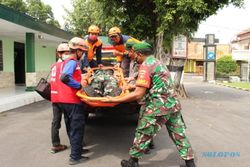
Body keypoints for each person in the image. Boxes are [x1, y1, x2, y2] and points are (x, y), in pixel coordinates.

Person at [97, 42, 196, 167]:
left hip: (157, 105)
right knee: (178, 134)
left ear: (139, 54)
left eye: (133, 53)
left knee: (143, 132)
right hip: (172, 104)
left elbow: (138, 94)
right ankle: (190, 163)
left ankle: (133, 161)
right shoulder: (157, 63)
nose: (131, 56)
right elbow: (154, 82)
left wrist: (115, 100)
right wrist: (132, 85)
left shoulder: (145, 66)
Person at [50, 37, 89, 165]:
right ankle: (75, 157)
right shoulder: (72, 61)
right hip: (72, 101)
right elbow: (64, 77)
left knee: (71, 127)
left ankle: (77, 150)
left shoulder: (64, 62)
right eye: (82, 52)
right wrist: (79, 85)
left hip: (63, 100)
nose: (82, 55)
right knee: (77, 127)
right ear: (78, 51)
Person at [50, 43, 70, 154]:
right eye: (66, 53)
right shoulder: (64, 66)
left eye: (68, 53)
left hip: (55, 98)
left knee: (55, 122)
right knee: (69, 121)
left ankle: (55, 145)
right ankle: (76, 143)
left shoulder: (53, 66)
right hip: (63, 98)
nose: (67, 55)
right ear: (59, 54)